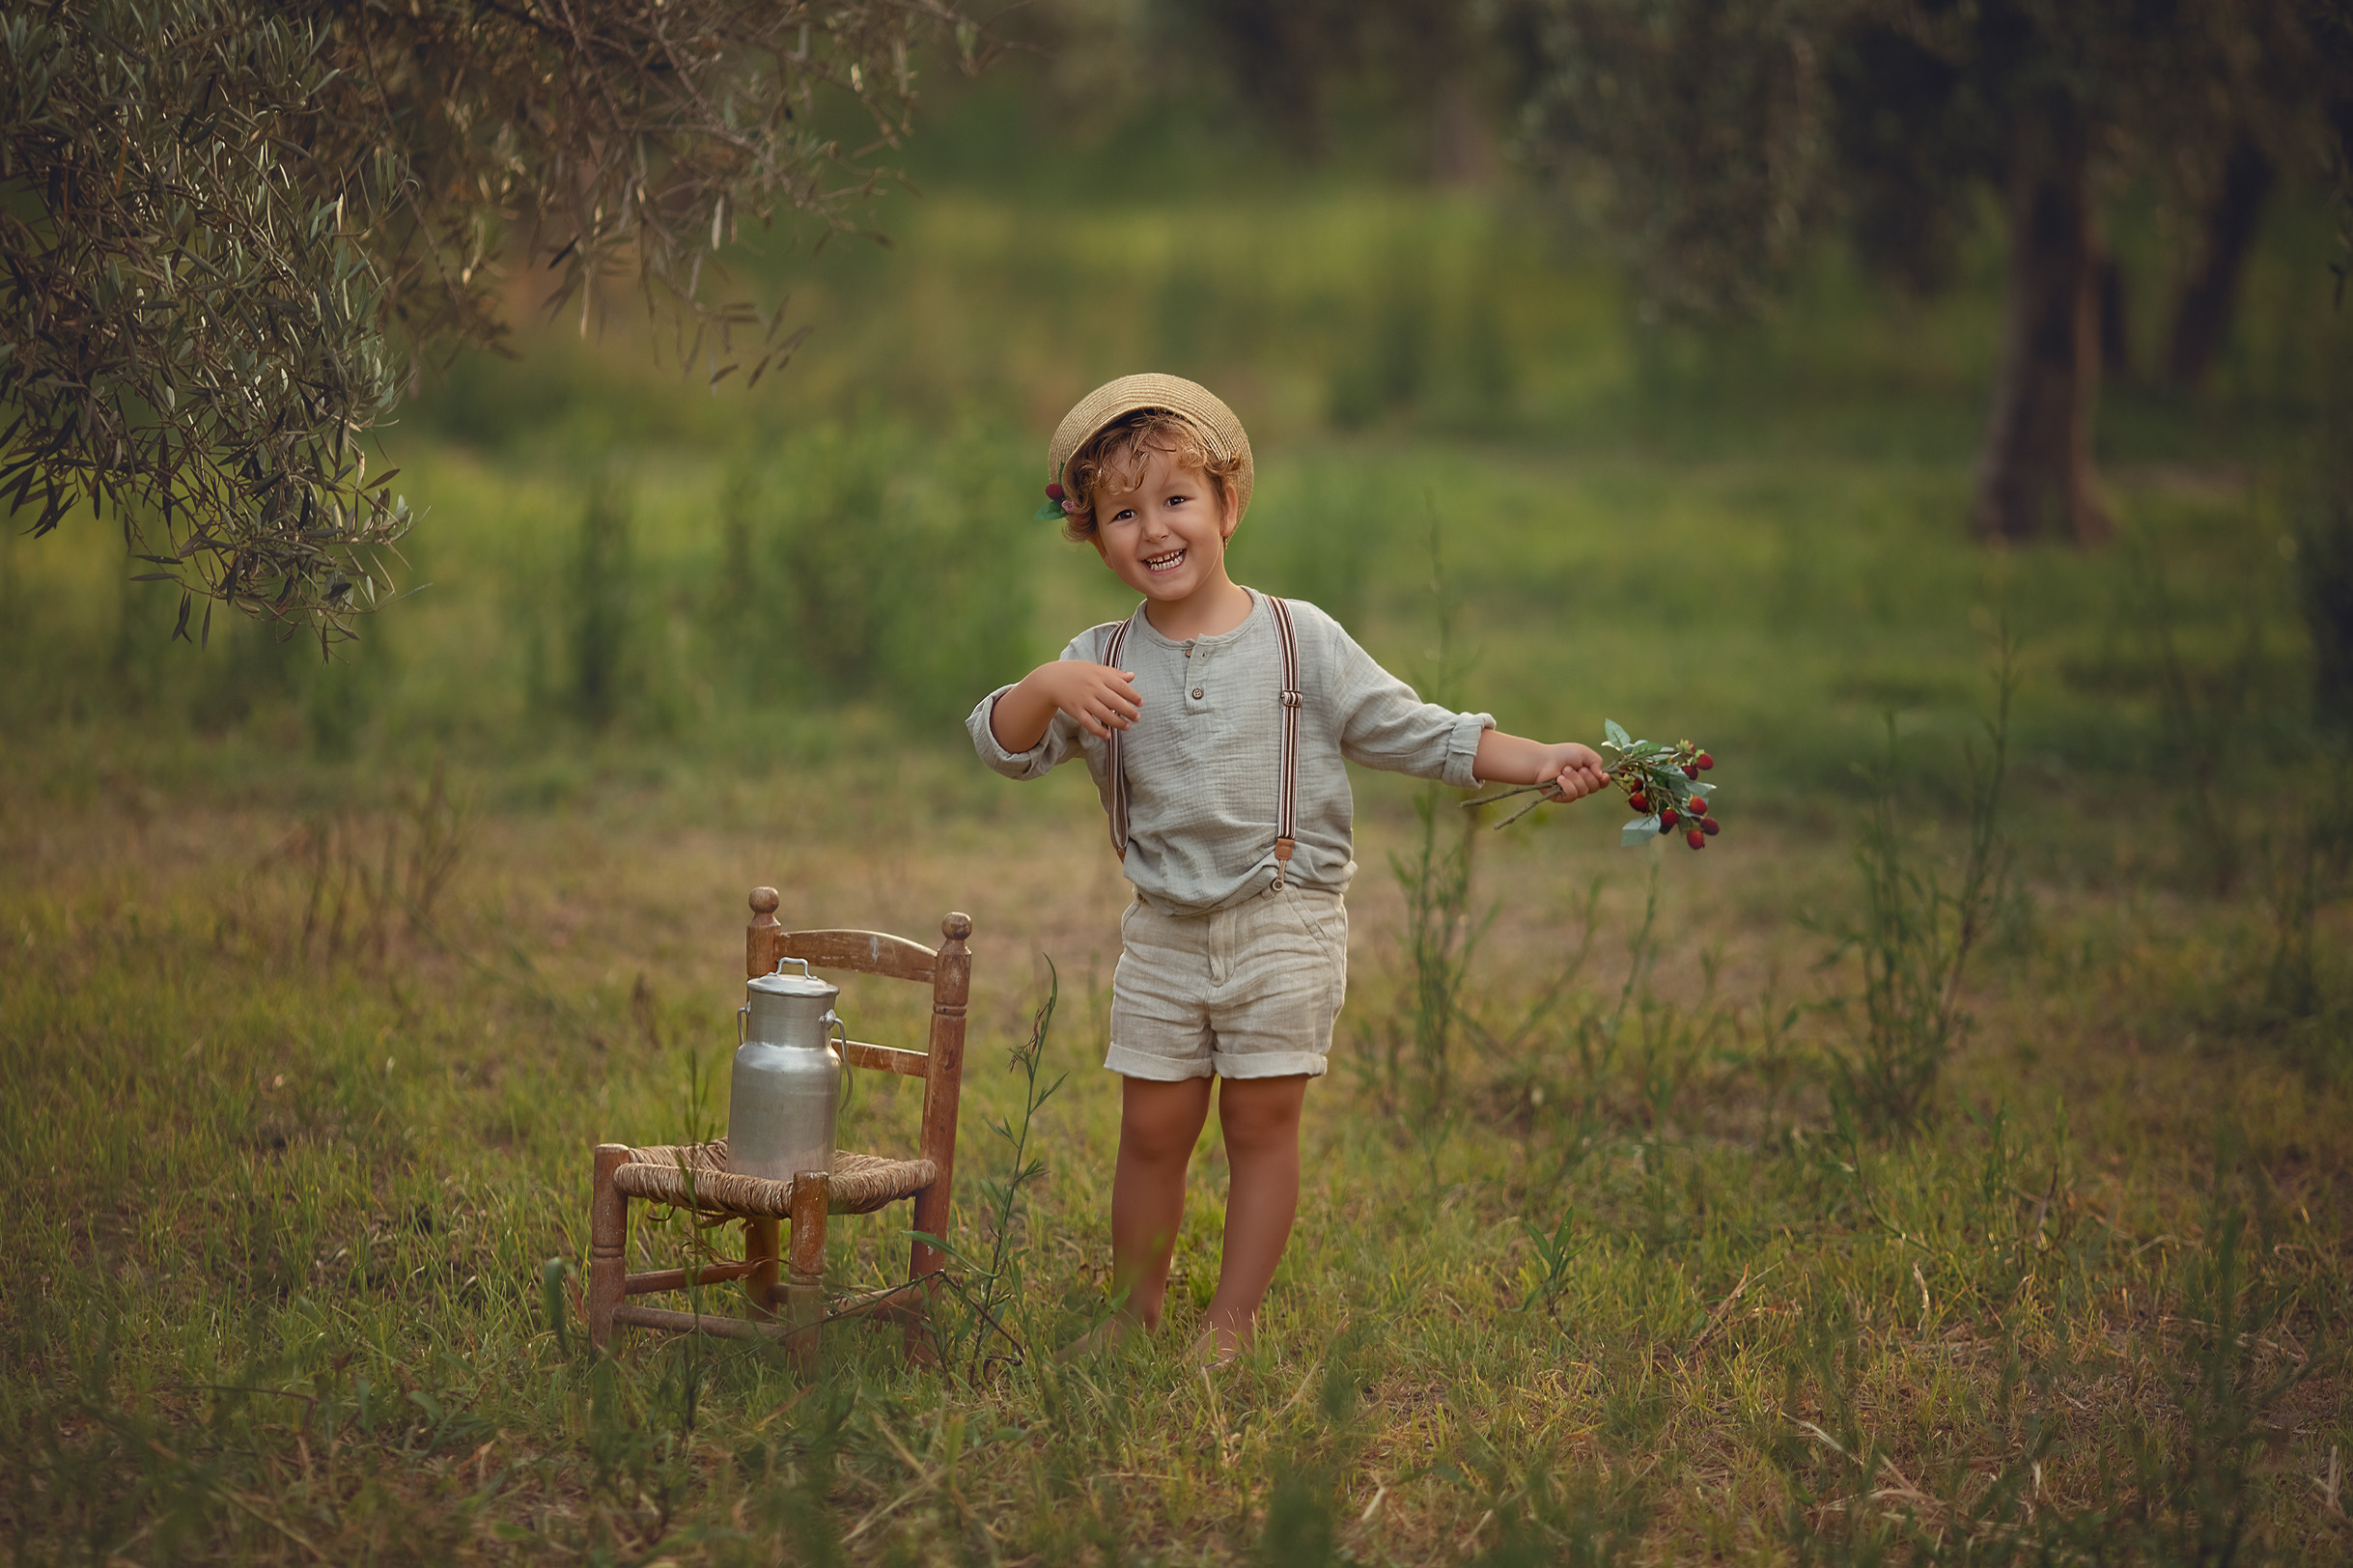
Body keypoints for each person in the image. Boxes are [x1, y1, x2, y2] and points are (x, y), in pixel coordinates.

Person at [966, 374, 1611, 1362]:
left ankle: (1230, 1322)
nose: (1152, 530)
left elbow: (1414, 730)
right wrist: (1047, 683)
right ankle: (1132, 1309)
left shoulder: (1297, 638)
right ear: (1091, 534)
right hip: (1163, 932)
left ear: (1226, 504)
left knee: (1261, 1123)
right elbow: (1002, 746)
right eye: (1121, 514)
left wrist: (1536, 758)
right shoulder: (1095, 660)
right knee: (1152, 1128)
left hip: (1285, 916)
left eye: (1176, 500)